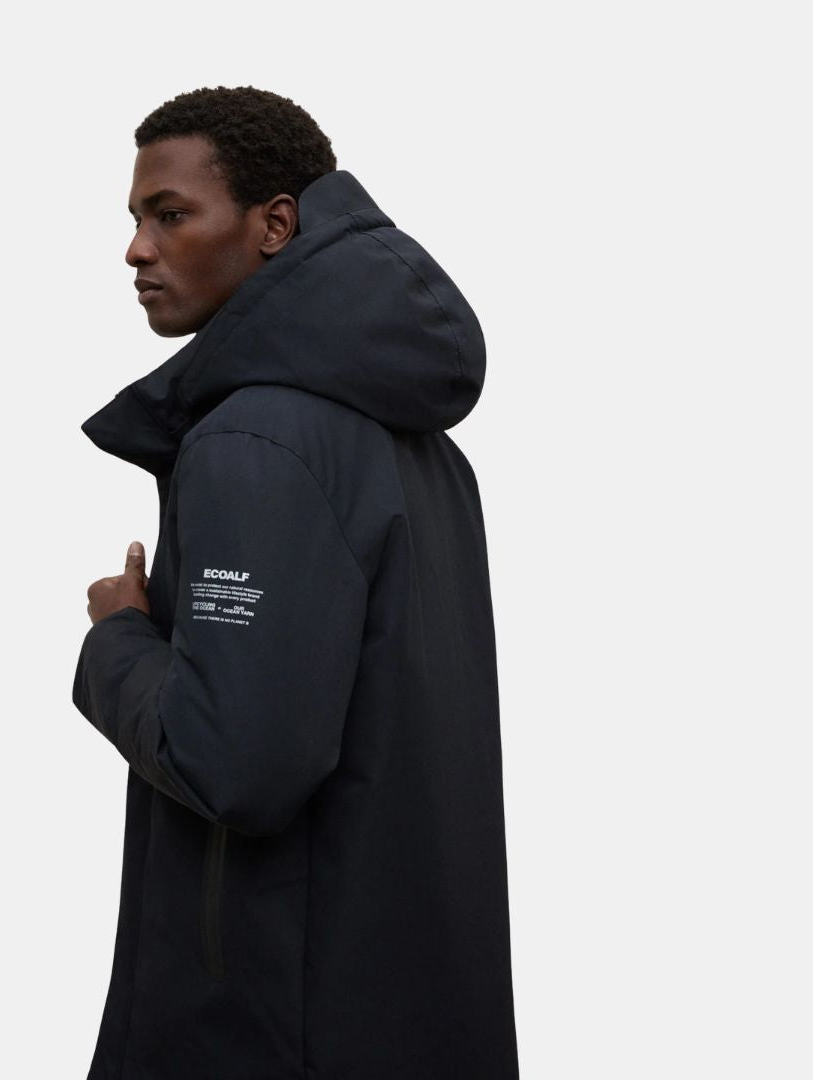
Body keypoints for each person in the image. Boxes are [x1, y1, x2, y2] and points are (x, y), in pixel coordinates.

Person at [72, 85, 519, 1079]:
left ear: (275, 224)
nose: (137, 249)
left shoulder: (255, 442)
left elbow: (234, 764)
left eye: (171, 214)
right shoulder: (418, 446)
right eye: (136, 219)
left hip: (262, 1025)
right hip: (402, 1010)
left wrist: (118, 640)